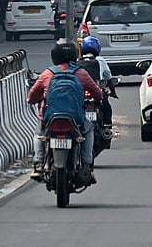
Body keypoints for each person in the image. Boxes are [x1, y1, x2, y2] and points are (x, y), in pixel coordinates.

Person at [28, 40, 104, 181]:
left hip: (49, 118)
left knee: (39, 133)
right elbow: (97, 94)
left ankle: (38, 164)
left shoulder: (47, 73)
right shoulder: (81, 73)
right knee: (88, 130)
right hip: (76, 119)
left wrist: (34, 100)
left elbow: (31, 96)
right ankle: (87, 164)